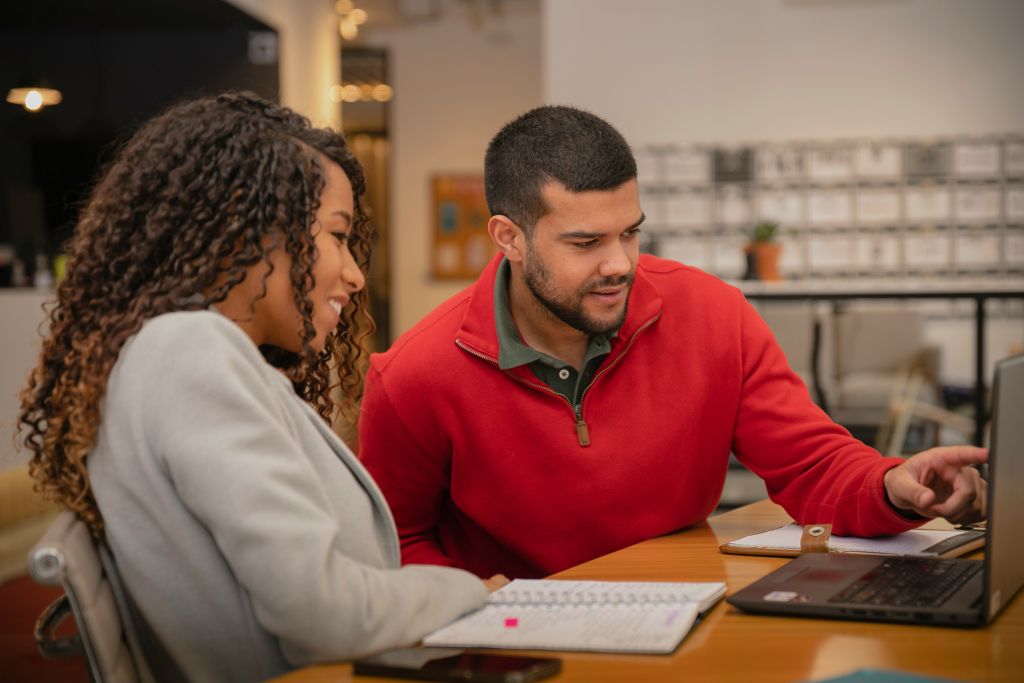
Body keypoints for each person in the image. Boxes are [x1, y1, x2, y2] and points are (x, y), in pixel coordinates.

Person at [358, 105, 987, 580]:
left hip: (690, 606)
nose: (620, 264)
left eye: (630, 233)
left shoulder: (714, 314)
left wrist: (894, 486)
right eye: (586, 243)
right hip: (521, 643)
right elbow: (396, 540)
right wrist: (473, 606)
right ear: (508, 237)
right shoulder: (413, 375)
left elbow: (812, 465)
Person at [18, 92, 503, 683]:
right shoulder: (190, 354)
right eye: (336, 235)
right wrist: (467, 591)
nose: (353, 272)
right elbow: (322, 615)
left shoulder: (179, 356)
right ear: (247, 232)